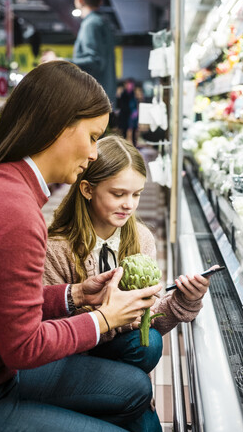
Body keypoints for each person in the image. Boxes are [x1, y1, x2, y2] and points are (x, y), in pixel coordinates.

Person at [0, 61, 163, 432]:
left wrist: (74, 295)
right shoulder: (14, 212)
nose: (94, 154)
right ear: (59, 128)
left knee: (136, 387)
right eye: (93, 137)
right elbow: (23, 347)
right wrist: (104, 319)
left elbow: (6, 304)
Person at [44, 135, 211, 366]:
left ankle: (121, 390)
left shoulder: (141, 238)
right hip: (68, 358)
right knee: (141, 374)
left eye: (136, 194)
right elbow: (51, 329)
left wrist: (184, 300)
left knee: (150, 343)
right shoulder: (56, 247)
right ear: (87, 189)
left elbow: (150, 318)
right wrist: (113, 318)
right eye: (118, 194)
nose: (129, 204)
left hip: (114, 348)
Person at [41, 0, 116, 110]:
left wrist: (59, 61)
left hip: (91, 100)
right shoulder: (102, 24)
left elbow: (95, 62)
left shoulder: (91, 24)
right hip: (99, 99)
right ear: (100, 2)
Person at [117, 79, 139, 146]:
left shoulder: (134, 95)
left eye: (131, 85)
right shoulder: (123, 95)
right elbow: (121, 106)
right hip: (125, 116)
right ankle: (123, 146)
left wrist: (135, 112)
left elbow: (135, 105)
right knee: (124, 133)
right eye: (128, 84)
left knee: (133, 134)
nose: (130, 86)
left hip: (133, 118)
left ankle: (134, 147)